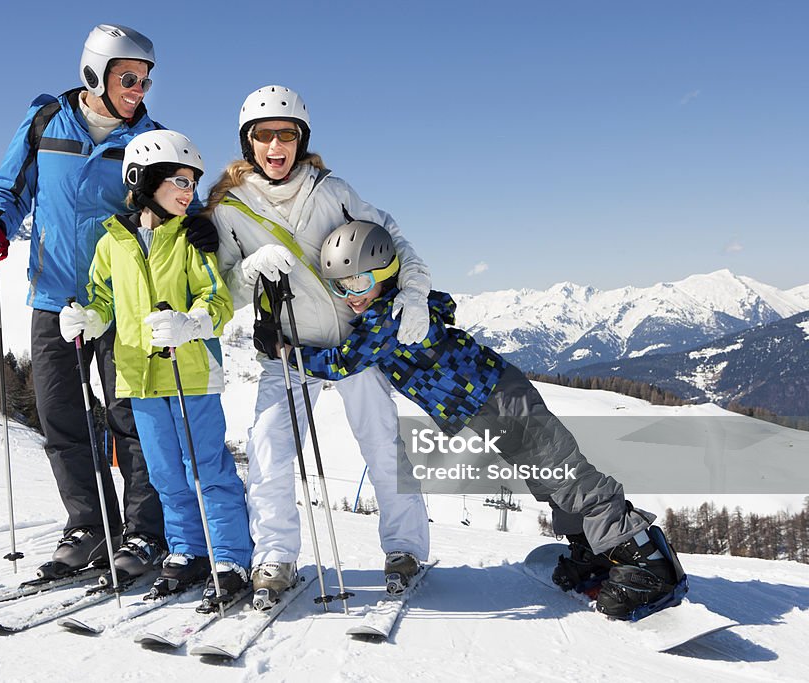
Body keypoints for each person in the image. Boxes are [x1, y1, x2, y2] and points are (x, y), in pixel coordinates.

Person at [283, 220, 688, 620]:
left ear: (387, 273)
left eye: (357, 283)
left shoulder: (388, 318)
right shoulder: (395, 308)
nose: (350, 296)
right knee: (544, 477)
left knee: (565, 472)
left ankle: (647, 561)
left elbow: (342, 362)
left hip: (501, 397)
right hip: (484, 409)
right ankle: (596, 548)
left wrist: (287, 351)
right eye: (339, 286)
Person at [0, 24, 219, 579]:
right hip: (55, 295)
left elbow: (183, 200)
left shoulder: (149, 139)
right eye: (128, 77)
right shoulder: (44, 122)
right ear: (94, 73)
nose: (139, 89)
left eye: (146, 80)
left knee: (133, 418)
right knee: (60, 416)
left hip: (127, 300)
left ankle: (144, 533)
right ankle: (88, 525)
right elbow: (10, 189)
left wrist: (199, 226)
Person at [206, 85, 434, 602]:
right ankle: (274, 558)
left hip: (354, 346)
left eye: (286, 134)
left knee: (381, 446)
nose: (275, 145)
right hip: (288, 350)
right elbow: (218, 286)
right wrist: (248, 270)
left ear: (301, 139)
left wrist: (414, 294)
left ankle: (405, 548)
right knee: (268, 450)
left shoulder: (332, 189)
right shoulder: (230, 208)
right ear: (249, 144)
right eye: (263, 135)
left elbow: (394, 240)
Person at [59, 129, 252, 605]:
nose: (189, 193)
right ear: (144, 181)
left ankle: (230, 556)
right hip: (138, 378)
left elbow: (218, 298)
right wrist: (88, 316)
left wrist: (192, 322)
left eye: (193, 183)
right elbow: (104, 298)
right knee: (164, 472)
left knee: (206, 467)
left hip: (191, 375)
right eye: (179, 182)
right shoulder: (112, 243)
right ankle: (187, 551)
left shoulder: (191, 239)